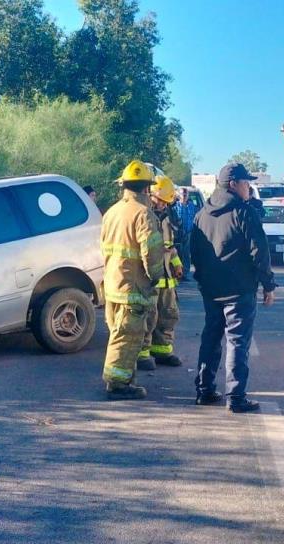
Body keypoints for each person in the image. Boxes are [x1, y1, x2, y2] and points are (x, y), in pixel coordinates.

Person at [190, 163, 276, 413]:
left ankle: (205, 391)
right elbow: (260, 251)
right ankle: (236, 398)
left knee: (211, 337)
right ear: (233, 184)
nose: (249, 187)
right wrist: (268, 284)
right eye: (246, 183)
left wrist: (203, 280)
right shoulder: (244, 213)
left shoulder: (201, 214)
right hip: (239, 291)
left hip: (211, 289)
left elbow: (193, 251)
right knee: (237, 342)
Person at [100, 160, 165, 400]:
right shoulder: (143, 214)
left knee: (118, 335)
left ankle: (124, 378)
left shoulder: (111, 212)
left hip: (113, 285)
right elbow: (152, 251)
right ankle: (117, 384)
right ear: (147, 188)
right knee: (128, 337)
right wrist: (156, 276)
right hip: (132, 288)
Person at [137, 174, 185, 370]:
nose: (163, 205)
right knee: (148, 316)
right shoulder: (144, 216)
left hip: (166, 278)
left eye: (166, 203)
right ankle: (142, 353)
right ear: (151, 195)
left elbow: (170, 246)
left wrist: (177, 263)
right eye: (160, 201)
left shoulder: (165, 218)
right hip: (150, 277)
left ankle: (162, 350)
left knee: (168, 315)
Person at [173, 187, 199, 278]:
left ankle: (186, 273)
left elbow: (197, 219)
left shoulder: (192, 207)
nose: (184, 196)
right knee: (178, 254)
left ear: (188, 196)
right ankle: (177, 272)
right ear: (178, 195)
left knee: (187, 253)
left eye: (185, 194)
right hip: (178, 234)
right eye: (182, 194)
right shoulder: (175, 207)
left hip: (189, 233)